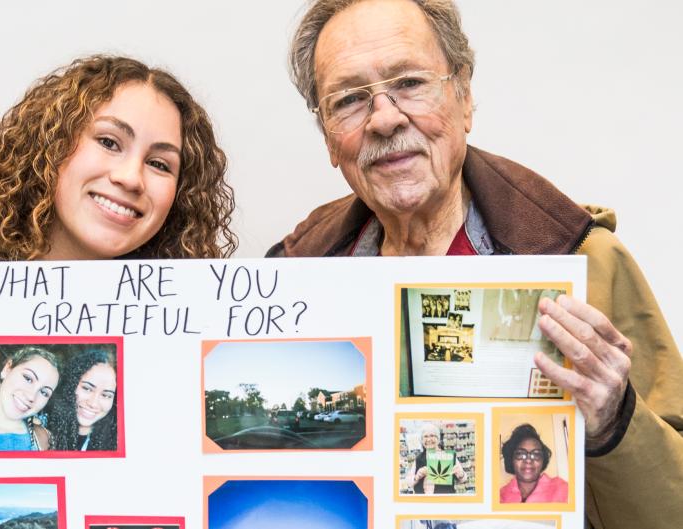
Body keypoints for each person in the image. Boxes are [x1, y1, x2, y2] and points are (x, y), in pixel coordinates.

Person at [269, 1, 683, 527]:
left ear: (464, 97)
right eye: (349, 100)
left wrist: (613, 424)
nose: (385, 118)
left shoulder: (582, 261)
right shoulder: (294, 277)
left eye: (410, 82)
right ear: (329, 136)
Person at [0, 54, 236, 529]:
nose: (130, 177)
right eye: (108, 142)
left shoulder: (181, 345)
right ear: (51, 148)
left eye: (160, 164)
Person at [0, 346, 60, 451]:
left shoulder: (44, 438)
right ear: (7, 369)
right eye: (28, 378)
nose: (31, 396)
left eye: (44, 392)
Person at [46, 348, 118, 451]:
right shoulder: (40, 430)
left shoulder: (116, 443)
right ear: (71, 385)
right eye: (87, 389)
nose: (93, 404)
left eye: (106, 395)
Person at [499, 424, 568, 504]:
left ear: (543, 460)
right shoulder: (500, 496)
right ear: (511, 459)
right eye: (521, 454)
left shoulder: (563, 490)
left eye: (536, 454)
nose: (528, 460)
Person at [408, 422, 467, 494]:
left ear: (438, 439)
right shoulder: (419, 458)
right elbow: (409, 483)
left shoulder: (448, 456)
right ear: (422, 440)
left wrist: (460, 474)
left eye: (432, 436)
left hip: (444, 500)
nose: (429, 439)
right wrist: (417, 477)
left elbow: (463, 479)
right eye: (425, 436)